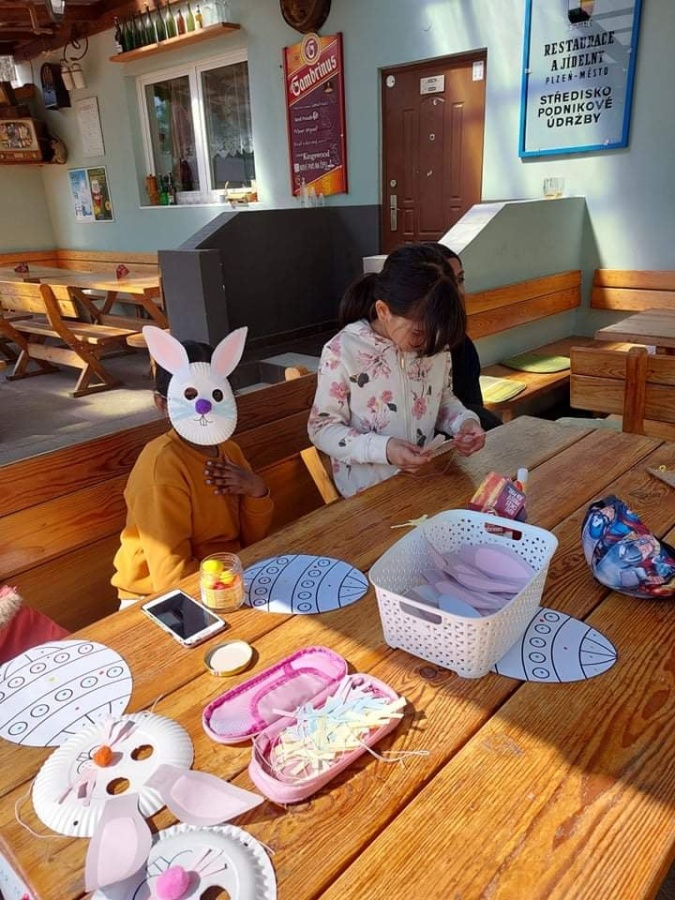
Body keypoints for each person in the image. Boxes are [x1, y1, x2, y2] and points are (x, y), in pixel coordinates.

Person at [308, 243, 485, 498]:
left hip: (424, 481)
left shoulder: (435, 345)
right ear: (383, 311)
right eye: (419, 332)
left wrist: (464, 422)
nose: (430, 343)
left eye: (438, 333)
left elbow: (442, 400)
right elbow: (322, 428)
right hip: (367, 495)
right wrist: (385, 449)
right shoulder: (343, 351)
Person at [112, 331, 274, 607]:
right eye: (189, 395)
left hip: (225, 576)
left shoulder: (229, 451)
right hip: (156, 598)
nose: (204, 407)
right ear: (162, 404)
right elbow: (170, 576)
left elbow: (253, 540)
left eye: (217, 395)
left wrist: (255, 489)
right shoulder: (162, 466)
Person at [427, 243, 502, 431]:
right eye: (449, 283)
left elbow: (472, 409)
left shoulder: (462, 345)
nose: (459, 291)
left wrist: (469, 426)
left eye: (460, 280)